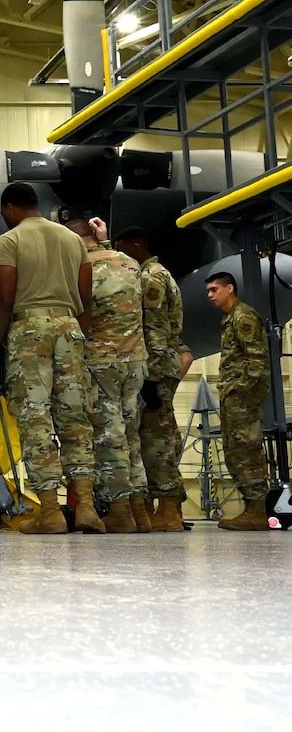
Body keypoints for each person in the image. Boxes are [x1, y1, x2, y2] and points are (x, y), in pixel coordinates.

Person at [0, 182, 101, 534]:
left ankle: (50, 512)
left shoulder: (10, 241)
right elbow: (86, 296)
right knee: (75, 419)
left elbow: (4, 298)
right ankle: (86, 509)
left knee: (36, 421)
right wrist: (76, 333)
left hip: (30, 330)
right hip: (69, 328)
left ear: (9, 208)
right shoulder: (72, 240)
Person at [65, 215, 150, 533]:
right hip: (135, 360)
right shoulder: (128, 262)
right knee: (131, 435)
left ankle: (120, 511)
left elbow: (79, 306)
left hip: (101, 361)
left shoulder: (80, 266)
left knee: (108, 438)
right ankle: (140, 511)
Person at [112, 227, 192, 531]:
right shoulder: (158, 273)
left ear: (137, 245)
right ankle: (159, 505)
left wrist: (151, 376)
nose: (122, 258)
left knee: (155, 441)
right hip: (159, 365)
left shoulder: (149, 277)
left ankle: (169, 509)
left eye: (124, 250)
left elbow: (153, 329)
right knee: (162, 436)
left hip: (155, 368)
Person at [206, 270, 271, 531]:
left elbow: (257, 359)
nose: (209, 295)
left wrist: (240, 392)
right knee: (235, 451)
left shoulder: (244, 316)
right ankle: (251, 507)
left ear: (230, 288)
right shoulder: (231, 318)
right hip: (234, 397)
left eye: (214, 290)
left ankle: (257, 510)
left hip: (242, 397)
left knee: (247, 450)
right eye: (208, 290)